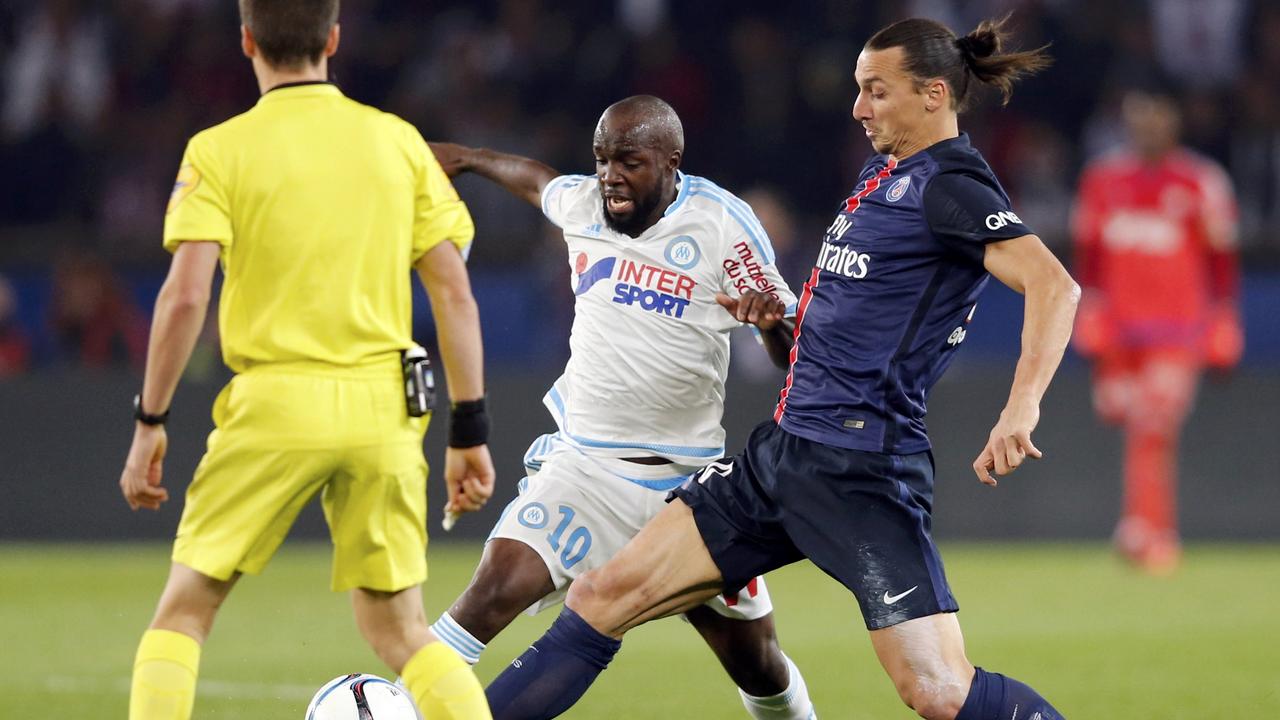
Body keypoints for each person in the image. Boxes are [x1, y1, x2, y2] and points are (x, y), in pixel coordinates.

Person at [483, 16, 1078, 720]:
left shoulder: (951, 186)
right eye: (859, 90)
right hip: (785, 451)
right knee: (599, 597)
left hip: (861, 468)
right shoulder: (884, 173)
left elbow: (1054, 286)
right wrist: (775, 323)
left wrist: (1021, 409)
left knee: (938, 692)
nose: (858, 108)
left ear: (933, 94)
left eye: (876, 92)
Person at [117, 2, 495, 718]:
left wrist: (151, 420)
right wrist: (469, 430)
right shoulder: (398, 142)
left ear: (246, 39)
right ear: (333, 38)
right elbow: (454, 293)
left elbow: (184, 298)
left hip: (276, 403)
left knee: (182, 615)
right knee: (402, 630)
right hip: (387, 406)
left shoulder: (219, 149)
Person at [429, 95, 818, 720]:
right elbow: (538, 182)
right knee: (487, 595)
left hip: (688, 492)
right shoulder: (586, 202)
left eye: (628, 161)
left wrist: (771, 325)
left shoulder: (721, 222)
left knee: (759, 663)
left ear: (671, 161)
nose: (610, 175)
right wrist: (469, 159)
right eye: (602, 159)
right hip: (583, 470)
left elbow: (791, 348)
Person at [1072, 83, 1242, 574]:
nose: (1147, 125)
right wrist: (1090, 315)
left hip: (1176, 332)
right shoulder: (1102, 180)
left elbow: (1222, 262)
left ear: (1174, 120)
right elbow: (1091, 260)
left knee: (1153, 426)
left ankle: (1150, 533)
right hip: (1120, 334)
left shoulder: (1201, 182)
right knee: (1122, 417)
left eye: (1156, 115)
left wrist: (1224, 321)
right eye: (1138, 116)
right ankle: (1141, 526)